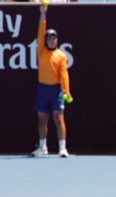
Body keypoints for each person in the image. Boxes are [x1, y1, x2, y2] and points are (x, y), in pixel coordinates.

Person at [31, 1, 72, 158]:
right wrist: (43, 14)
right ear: (46, 40)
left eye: (54, 38)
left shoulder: (61, 56)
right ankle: (43, 147)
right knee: (42, 119)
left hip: (56, 90)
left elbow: (64, 75)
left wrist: (66, 90)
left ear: (57, 40)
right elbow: (40, 31)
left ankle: (63, 148)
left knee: (59, 117)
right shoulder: (41, 51)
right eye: (49, 37)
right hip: (43, 89)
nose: (52, 40)